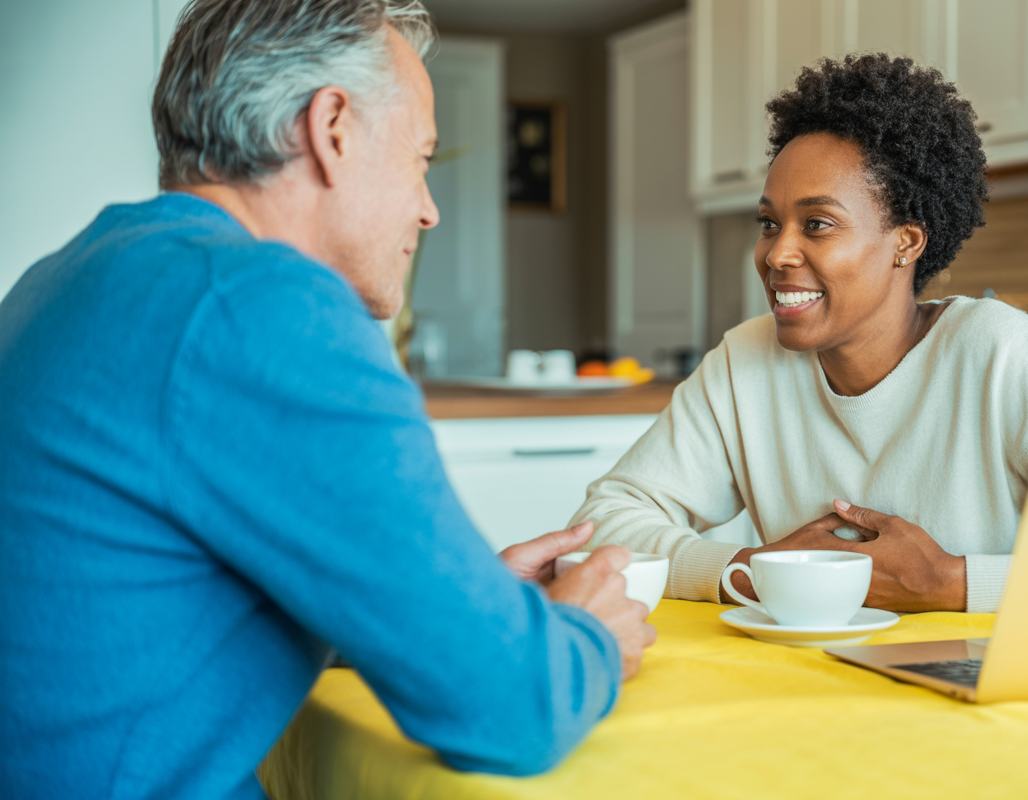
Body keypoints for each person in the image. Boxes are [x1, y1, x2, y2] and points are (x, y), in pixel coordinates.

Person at [0, 1, 654, 797]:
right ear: (333, 127)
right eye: (421, 159)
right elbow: (513, 709)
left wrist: (453, 598)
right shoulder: (262, 305)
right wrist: (584, 632)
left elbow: (148, 611)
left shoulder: (68, 276)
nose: (429, 208)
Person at [570, 54, 1028, 615]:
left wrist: (950, 584)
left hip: (980, 682)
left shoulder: (995, 349)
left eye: (817, 224)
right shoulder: (745, 360)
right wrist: (751, 571)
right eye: (769, 224)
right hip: (808, 677)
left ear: (905, 243)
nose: (777, 254)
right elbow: (600, 525)